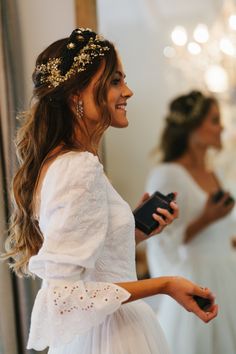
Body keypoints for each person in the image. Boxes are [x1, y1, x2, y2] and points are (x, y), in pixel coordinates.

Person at [2, 29, 218, 354]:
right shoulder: (78, 167)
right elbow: (64, 295)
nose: (128, 91)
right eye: (115, 81)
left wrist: (130, 231)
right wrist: (166, 284)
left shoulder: (61, 162)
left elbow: (90, 263)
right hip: (111, 337)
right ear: (77, 93)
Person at [146, 90, 236, 354]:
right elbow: (160, 238)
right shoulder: (166, 175)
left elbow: (226, 229)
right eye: (215, 120)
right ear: (193, 127)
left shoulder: (217, 173)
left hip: (227, 270)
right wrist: (205, 219)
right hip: (197, 276)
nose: (222, 127)